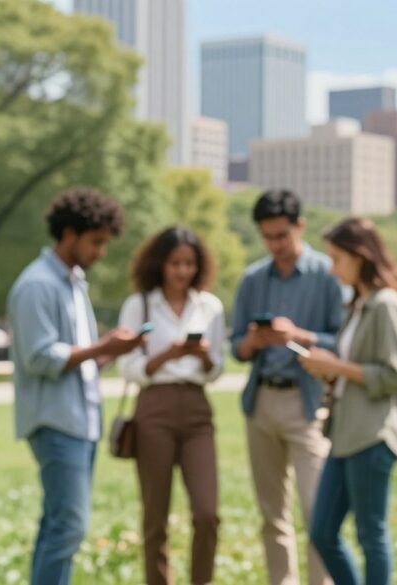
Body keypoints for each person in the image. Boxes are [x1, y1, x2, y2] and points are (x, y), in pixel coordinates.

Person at [8, 187, 142, 585]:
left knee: (58, 526)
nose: (101, 251)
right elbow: (40, 357)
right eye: (96, 241)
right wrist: (103, 344)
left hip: (80, 420)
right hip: (55, 421)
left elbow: (78, 359)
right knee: (69, 526)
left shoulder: (73, 282)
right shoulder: (38, 285)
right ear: (69, 234)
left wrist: (114, 351)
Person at [230, 189, 344, 585]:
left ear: (300, 226)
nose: (275, 245)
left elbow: (343, 341)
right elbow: (236, 348)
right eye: (267, 237)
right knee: (271, 513)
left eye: (282, 235)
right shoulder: (252, 279)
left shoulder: (328, 274)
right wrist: (254, 341)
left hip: (308, 401)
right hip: (261, 400)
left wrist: (298, 335)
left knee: (318, 512)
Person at [299, 217, 397, 585]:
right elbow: (358, 367)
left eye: (336, 259)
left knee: (371, 535)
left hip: (373, 435)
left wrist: (338, 366)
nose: (332, 269)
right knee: (321, 532)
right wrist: (329, 369)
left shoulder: (385, 304)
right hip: (345, 434)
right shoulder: (359, 303)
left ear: (359, 256)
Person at [117, 226, 226, 585]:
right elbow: (128, 366)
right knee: (155, 516)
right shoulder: (140, 304)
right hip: (154, 408)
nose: (182, 271)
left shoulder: (209, 307)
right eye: (175, 263)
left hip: (197, 408)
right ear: (160, 263)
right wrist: (168, 354)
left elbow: (218, 369)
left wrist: (206, 357)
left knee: (208, 512)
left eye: (190, 264)